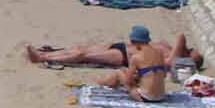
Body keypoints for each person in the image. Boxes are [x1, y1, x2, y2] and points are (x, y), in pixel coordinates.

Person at [25, 28, 201, 72]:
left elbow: (181, 37)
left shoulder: (171, 60)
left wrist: (185, 52)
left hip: (122, 56)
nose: (191, 49)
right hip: (121, 46)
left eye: (192, 52)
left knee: (82, 55)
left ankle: (41, 58)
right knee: (80, 49)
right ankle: (46, 54)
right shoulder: (168, 49)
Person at [94, 24, 180, 102]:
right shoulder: (159, 53)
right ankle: (109, 83)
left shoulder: (136, 57)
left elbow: (128, 81)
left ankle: (104, 83)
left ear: (134, 41)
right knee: (127, 72)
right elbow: (163, 75)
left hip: (145, 97)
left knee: (119, 72)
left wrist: (135, 78)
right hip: (161, 96)